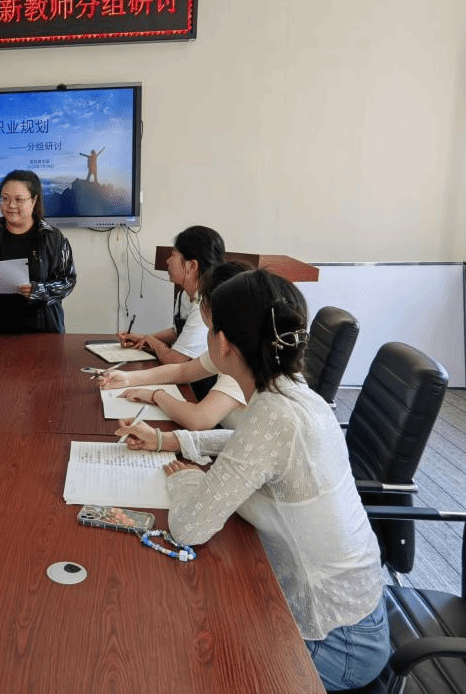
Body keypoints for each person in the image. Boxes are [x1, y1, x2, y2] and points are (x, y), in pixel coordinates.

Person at [117, 269, 388, 691]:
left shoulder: (274, 415)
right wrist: (168, 440)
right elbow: (246, 444)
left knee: (181, 652)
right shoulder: (293, 394)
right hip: (353, 612)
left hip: (337, 640)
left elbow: (188, 527)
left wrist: (187, 479)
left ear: (223, 343)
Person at [102, 261, 249, 431]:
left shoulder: (242, 359)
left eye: (201, 299)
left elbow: (198, 419)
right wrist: (128, 378)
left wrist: (155, 396)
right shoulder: (233, 344)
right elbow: (182, 371)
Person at [0, 170, 76, 342]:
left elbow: (68, 280)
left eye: (19, 199)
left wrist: (39, 290)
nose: (10, 205)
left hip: (44, 333)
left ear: (34, 200)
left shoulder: (52, 237)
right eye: (5, 199)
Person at [117, 225, 225, 366]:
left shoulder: (205, 306)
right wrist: (144, 338)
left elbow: (175, 360)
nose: (167, 261)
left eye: (173, 255)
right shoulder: (184, 295)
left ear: (192, 266)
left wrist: (154, 343)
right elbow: (178, 332)